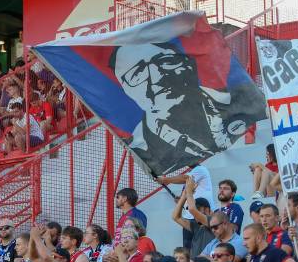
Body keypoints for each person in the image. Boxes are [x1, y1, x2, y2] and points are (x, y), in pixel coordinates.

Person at [112, 41, 264, 175]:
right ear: (127, 91)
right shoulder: (141, 150)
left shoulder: (243, 103)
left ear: (189, 65)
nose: (156, 78)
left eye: (165, 61)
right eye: (137, 74)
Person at [159, 164, 214, 247]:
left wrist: (165, 180)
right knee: (187, 250)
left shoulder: (201, 169)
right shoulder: (193, 173)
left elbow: (186, 178)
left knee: (203, 247)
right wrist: (182, 201)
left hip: (200, 218)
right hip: (190, 218)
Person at [171, 179, 214, 259]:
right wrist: (184, 195)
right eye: (195, 208)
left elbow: (192, 209)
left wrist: (189, 191)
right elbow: (175, 217)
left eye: (197, 208)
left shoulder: (212, 221)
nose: (193, 213)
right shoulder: (195, 226)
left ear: (207, 210)